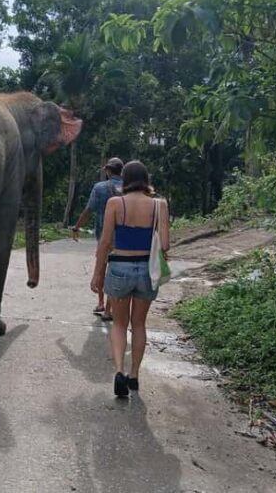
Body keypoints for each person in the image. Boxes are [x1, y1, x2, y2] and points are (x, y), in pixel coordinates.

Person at [90, 160, 169, 397]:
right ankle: (134, 376)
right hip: (146, 270)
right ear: (146, 180)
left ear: (124, 179)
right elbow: (165, 245)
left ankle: (119, 372)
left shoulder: (115, 203)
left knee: (119, 324)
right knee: (139, 325)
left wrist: (98, 273)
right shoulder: (159, 205)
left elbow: (105, 243)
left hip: (119, 268)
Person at [71, 157, 124, 320]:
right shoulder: (129, 189)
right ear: (121, 171)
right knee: (114, 272)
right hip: (123, 238)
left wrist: (77, 226)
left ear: (107, 170)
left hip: (103, 236)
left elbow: (88, 210)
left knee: (101, 269)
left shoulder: (100, 188)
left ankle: (100, 302)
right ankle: (108, 310)